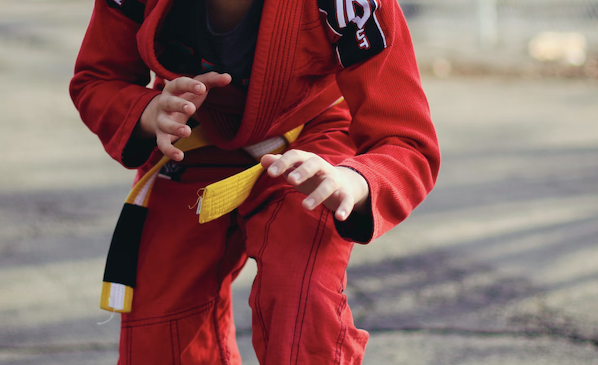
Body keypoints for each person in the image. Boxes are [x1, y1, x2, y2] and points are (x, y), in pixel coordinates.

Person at [70, 0, 440, 363]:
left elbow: (406, 141)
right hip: (191, 132)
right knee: (161, 330)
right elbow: (98, 79)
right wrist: (150, 114)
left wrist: (354, 180)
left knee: (300, 295)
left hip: (310, 147)